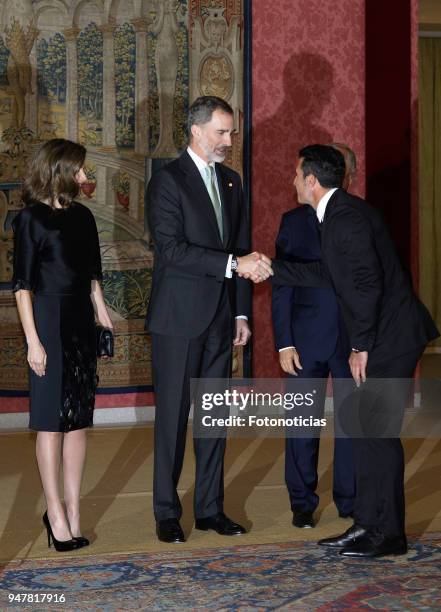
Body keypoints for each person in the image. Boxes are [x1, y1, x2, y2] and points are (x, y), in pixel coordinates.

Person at [237, 144, 439, 558]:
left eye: (296, 175)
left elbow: (366, 285)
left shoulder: (343, 218)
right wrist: (272, 266)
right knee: (367, 432)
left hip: (390, 338)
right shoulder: (341, 212)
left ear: (312, 180)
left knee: (376, 435)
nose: (292, 181)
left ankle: (388, 535)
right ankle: (367, 525)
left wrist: (360, 345)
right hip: (384, 334)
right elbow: (328, 273)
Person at [146, 95, 259, 543]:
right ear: (196, 131)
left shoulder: (231, 182)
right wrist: (233, 266)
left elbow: (244, 244)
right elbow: (171, 250)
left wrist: (242, 311)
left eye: (231, 132)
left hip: (221, 318)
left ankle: (211, 509)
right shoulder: (166, 182)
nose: (229, 141)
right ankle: (167, 513)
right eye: (222, 132)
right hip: (177, 319)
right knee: (172, 421)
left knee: (214, 418)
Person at [12, 139, 113, 552]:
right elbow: (22, 287)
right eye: (80, 170)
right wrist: (33, 341)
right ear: (59, 171)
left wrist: (104, 319)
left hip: (80, 326)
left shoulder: (85, 218)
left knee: (78, 422)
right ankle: (54, 514)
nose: (86, 178)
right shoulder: (30, 219)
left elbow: (93, 277)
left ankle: (73, 512)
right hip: (48, 324)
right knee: (51, 424)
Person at [271, 144, 357, 529]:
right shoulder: (292, 222)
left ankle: (350, 499)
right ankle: (302, 503)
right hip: (303, 342)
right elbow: (282, 286)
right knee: (301, 425)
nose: (294, 181)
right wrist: (284, 341)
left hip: (353, 342)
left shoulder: (359, 219)